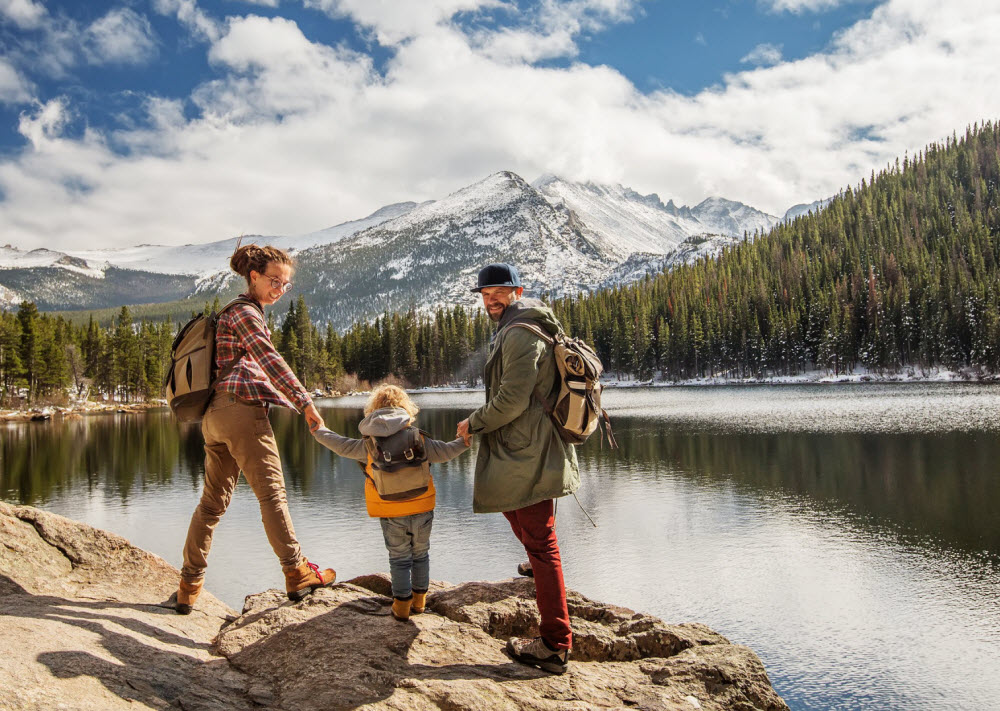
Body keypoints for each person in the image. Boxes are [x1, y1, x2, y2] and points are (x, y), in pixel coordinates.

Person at [175, 242, 336, 615]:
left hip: (214, 418)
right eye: (274, 281)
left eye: (285, 284)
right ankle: (297, 572)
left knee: (212, 504)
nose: (279, 289)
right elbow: (268, 357)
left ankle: (188, 585)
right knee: (272, 495)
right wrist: (304, 401)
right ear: (254, 277)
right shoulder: (247, 312)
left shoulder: (230, 311)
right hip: (241, 414)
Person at [456, 263, 579, 675]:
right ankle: (534, 566)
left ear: (517, 291)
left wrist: (473, 422)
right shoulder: (517, 325)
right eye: (485, 294)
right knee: (525, 524)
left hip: (529, 449)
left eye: (498, 292)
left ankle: (555, 644)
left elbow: (511, 398)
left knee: (543, 543)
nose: (491, 299)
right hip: (526, 446)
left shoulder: (521, 331)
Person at [311, 384, 470, 620]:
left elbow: (341, 445)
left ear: (374, 410)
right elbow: (446, 452)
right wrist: (465, 441)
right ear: (405, 408)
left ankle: (401, 604)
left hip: (390, 510)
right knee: (421, 554)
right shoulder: (418, 439)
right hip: (422, 507)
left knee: (399, 557)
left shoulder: (369, 444)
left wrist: (319, 430)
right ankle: (420, 602)